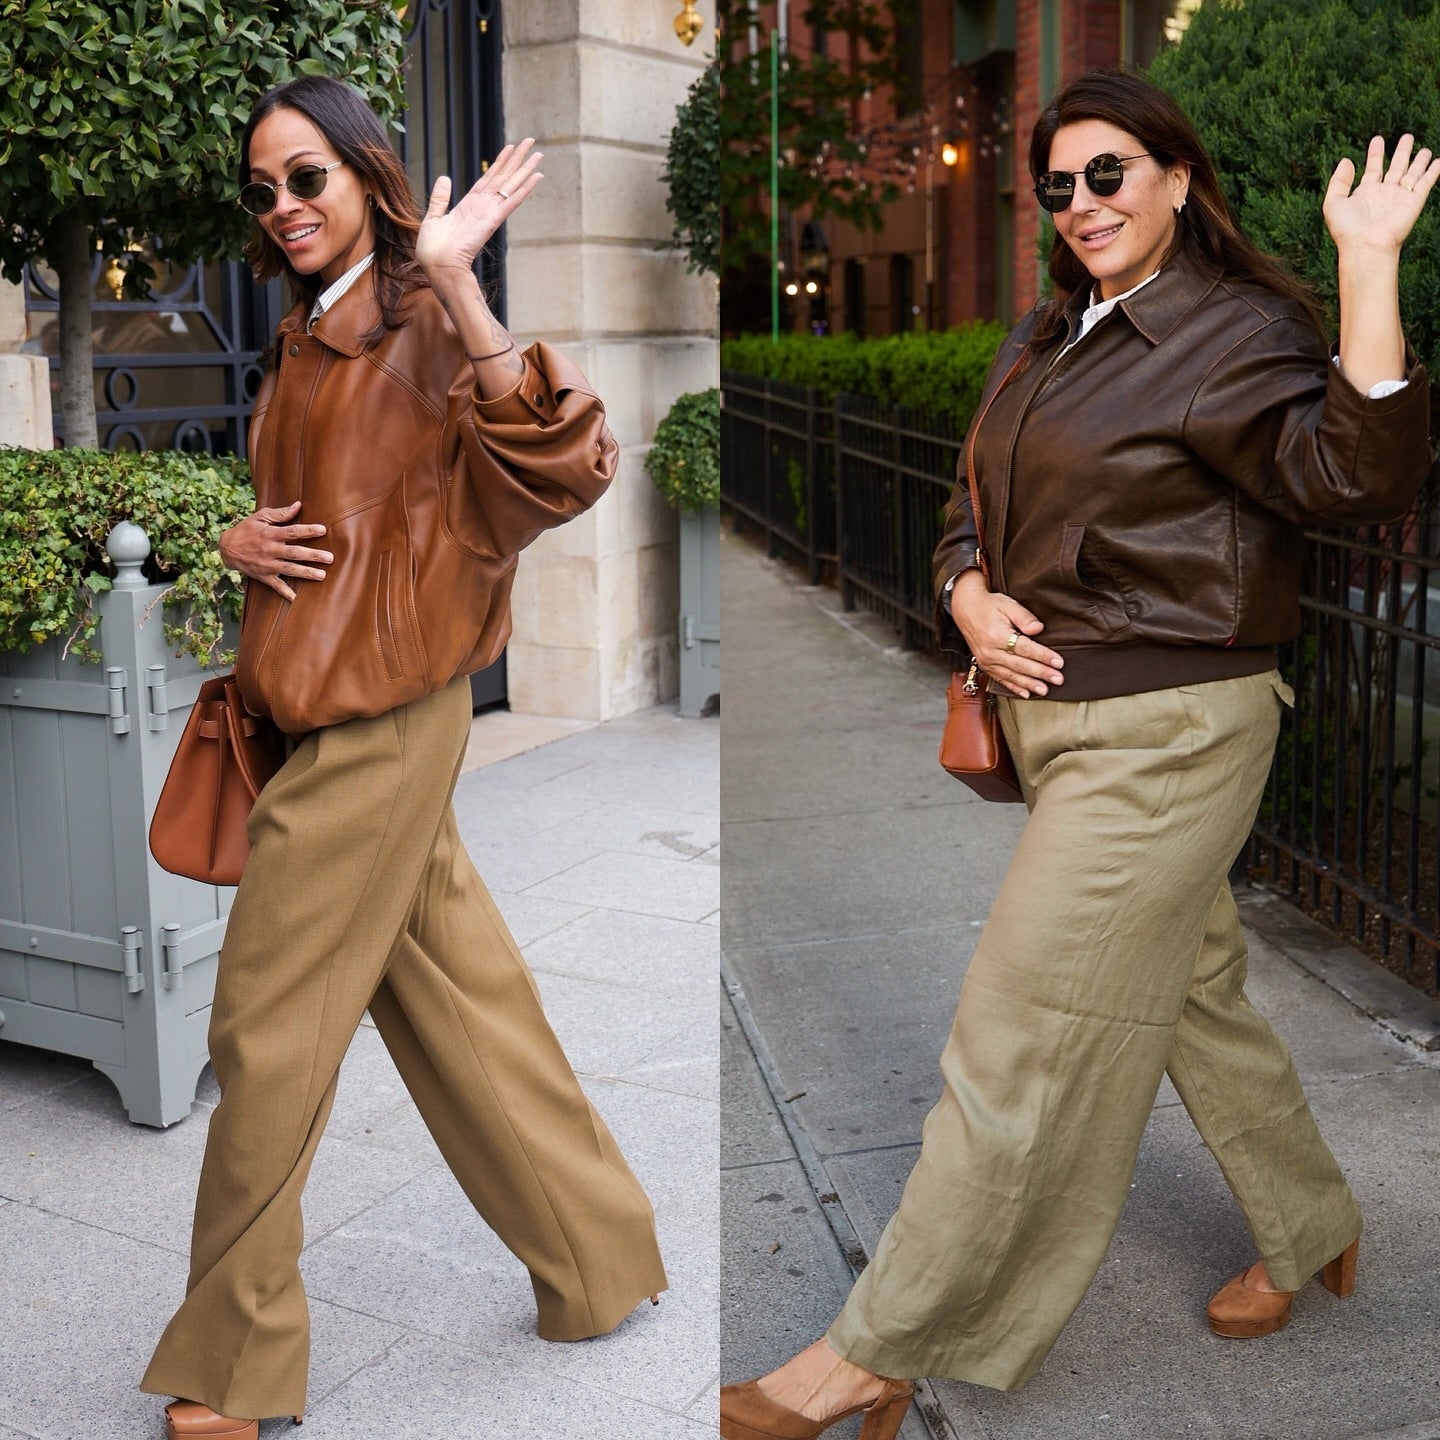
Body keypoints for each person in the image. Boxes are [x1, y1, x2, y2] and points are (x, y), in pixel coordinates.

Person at [720, 68, 1436, 1440]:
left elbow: (1353, 474)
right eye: (1058, 184)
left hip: (1168, 733)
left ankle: (875, 1353)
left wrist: (1368, 268)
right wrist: (965, 593)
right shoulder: (1050, 331)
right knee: (1193, 1000)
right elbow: (969, 502)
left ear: (1176, 179)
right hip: (1061, 729)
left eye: (1111, 173)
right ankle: (1315, 1222)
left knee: (1018, 1030)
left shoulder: (1231, 329)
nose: (1083, 203)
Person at [140, 75, 667, 1440]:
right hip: (332, 708)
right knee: (461, 1001)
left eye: (305, 178)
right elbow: (327, 513)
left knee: (263, 1029)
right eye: (262, 191)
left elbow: (572, 465)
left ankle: (235, 1361)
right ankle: (601, 1256)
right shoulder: (310, 335)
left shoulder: (426, 314)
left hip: (378, 722)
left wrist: (461, 281)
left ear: (369, 175)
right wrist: (235, 538)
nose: (284, 209)